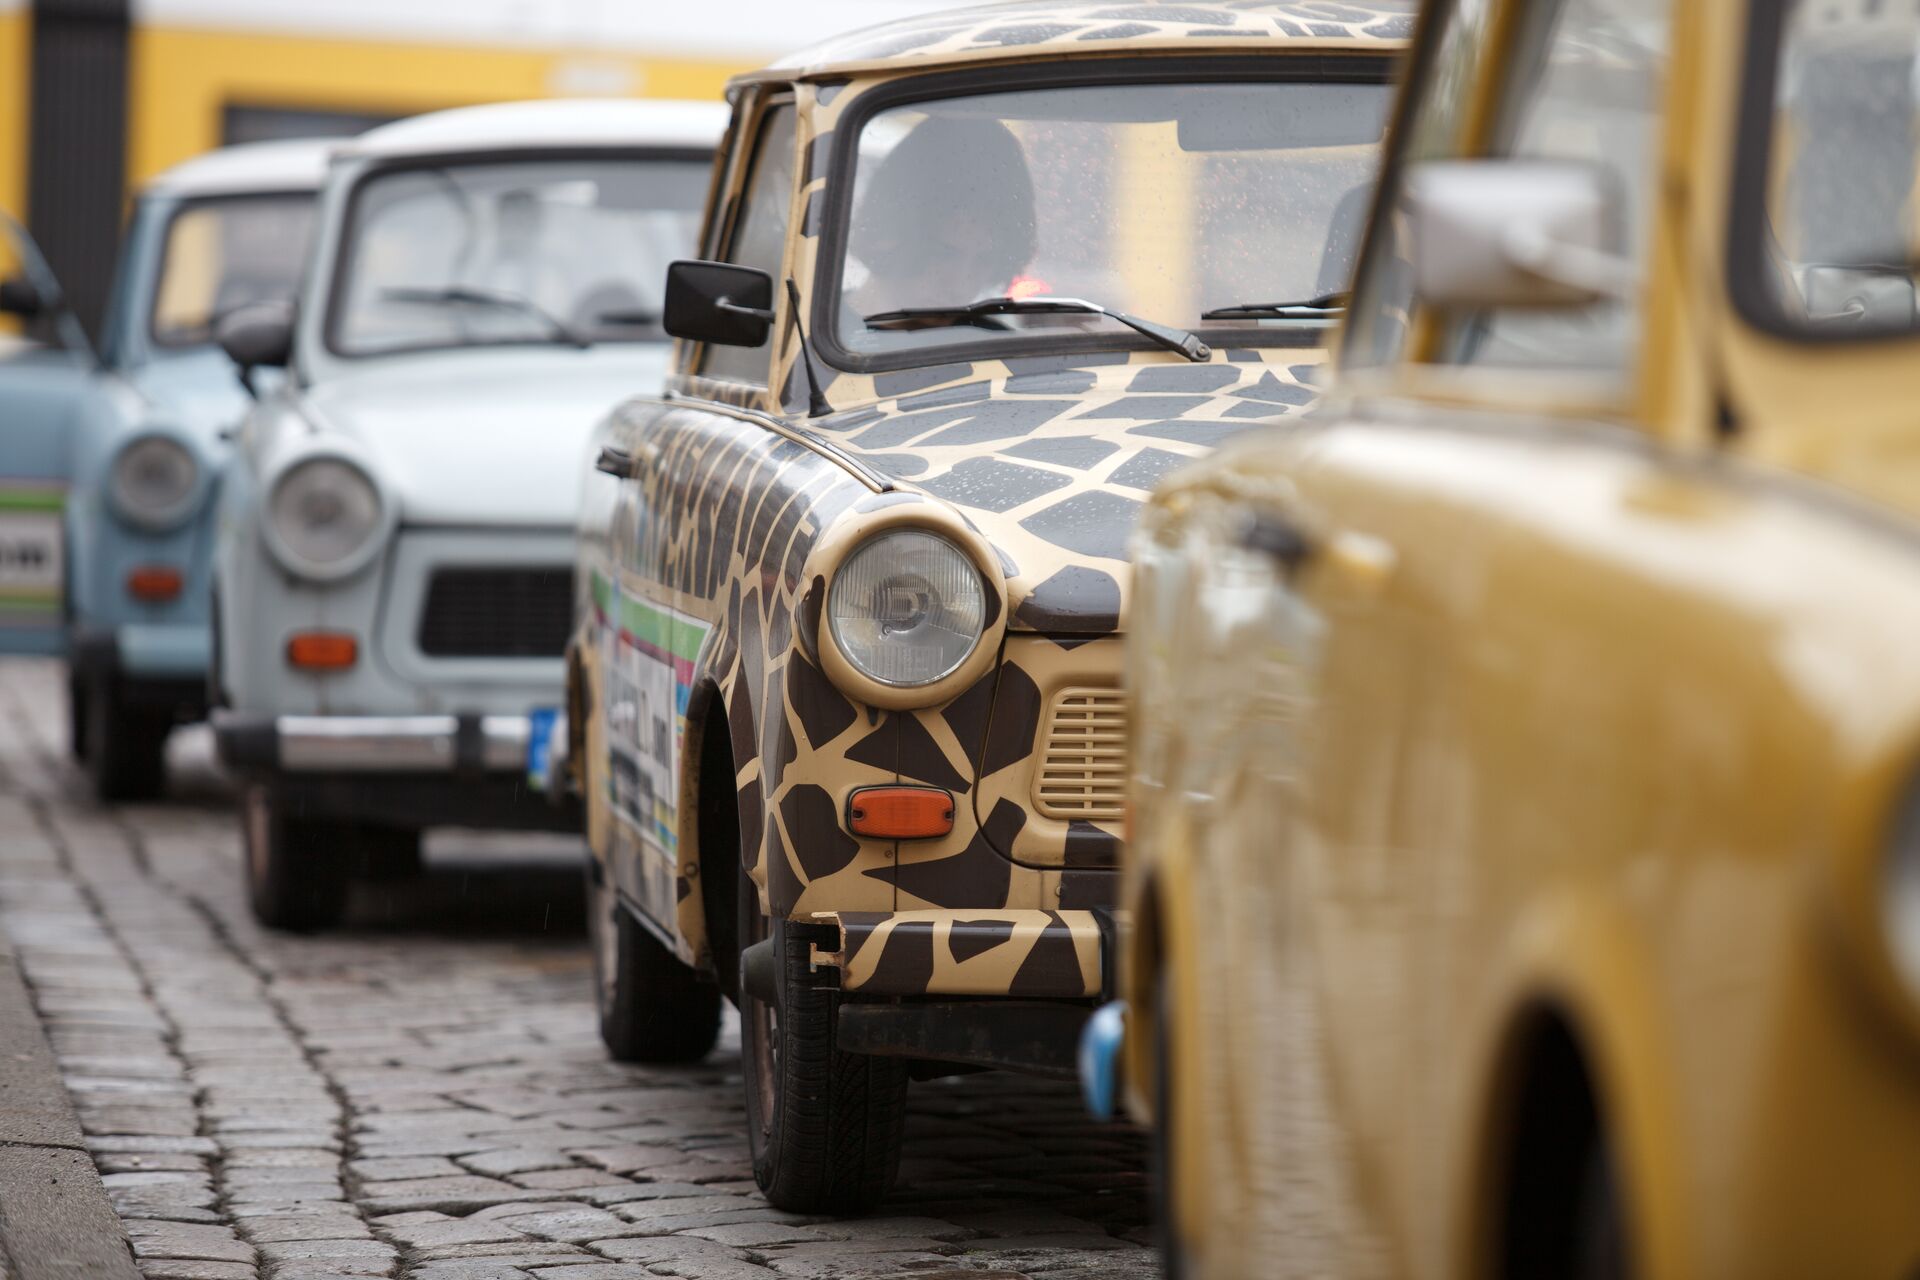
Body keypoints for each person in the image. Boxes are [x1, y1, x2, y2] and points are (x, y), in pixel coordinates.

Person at [843, 115, 1038, 323]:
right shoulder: (820, 331)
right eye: (943, 253)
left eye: (984, 261)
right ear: (890, 234)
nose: (960, 286)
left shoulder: (994, 341)